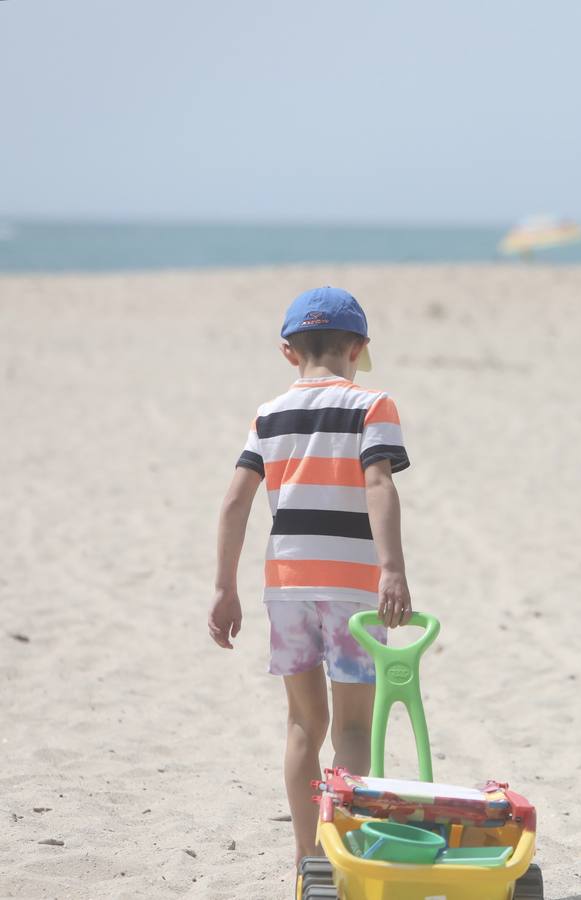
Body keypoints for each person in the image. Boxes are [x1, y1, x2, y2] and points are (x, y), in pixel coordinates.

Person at [207, 286, 413, 865]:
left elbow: (234, 504)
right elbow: (380, 483)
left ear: (288, 352)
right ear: (359, 348)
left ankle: (306, 858)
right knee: (351, 727)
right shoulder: (373, 406)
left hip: (288, 586)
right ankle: (341, 850)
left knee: (302, 723)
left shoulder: (269, 415)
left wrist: (225, 587)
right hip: (353, 588)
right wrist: (392, 570)